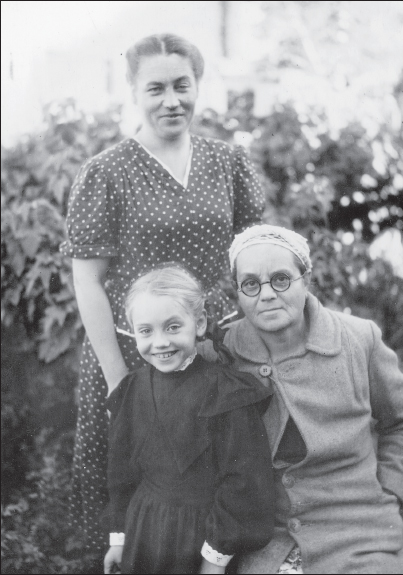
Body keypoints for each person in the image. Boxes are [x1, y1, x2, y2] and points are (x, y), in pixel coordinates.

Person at [59, 33, 264, 556]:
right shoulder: (107, 172)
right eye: (156, 88)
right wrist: (117, 380)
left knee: (214, 471)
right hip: (133, 348)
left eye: (182, 85)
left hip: (210, 345)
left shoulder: (228, 162)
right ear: (133, 92)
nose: (171, 100)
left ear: (198, 86)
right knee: (130, 476)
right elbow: (88, 280)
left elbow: (249, 254)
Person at [201, 224, 403, 574]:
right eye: (251, 284)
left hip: (361, 536)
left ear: (306, 279)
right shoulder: (221, 354)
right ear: (239, 293)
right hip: (265, 544)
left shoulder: (357, 339)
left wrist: (392, 490)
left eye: (282, 279)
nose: (267, 294)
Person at [102, 264, 275, 574]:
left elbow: (245, 480)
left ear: (198, 324)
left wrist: (214, 559)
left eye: (172, 327)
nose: (160, 342)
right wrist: (119, 537)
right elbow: (121, 469)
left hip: (199, 535)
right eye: (146, 331)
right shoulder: (134, 388)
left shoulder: (223, 391)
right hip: (145, 526)